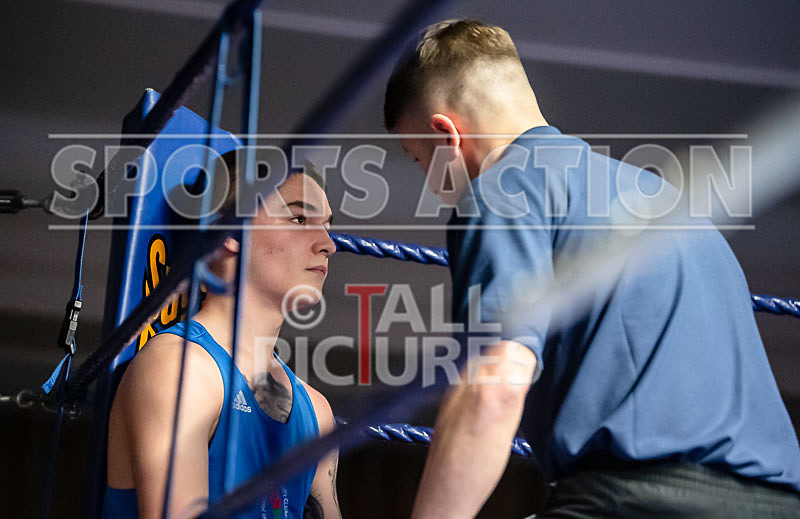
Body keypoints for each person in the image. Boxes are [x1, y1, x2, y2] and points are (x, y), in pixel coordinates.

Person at [384, 19, 800, 518]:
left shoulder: (501, 190)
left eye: (417, 160)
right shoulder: (671, 206)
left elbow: (493, 385)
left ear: (446, 135)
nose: (432, 186)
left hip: (634, 501)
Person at [103, 150, 341, 519]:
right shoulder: (179, 368)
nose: (329, 244)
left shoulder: (317, 411)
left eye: (327, 225)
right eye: (299, 217)